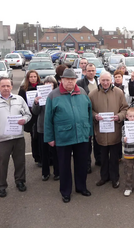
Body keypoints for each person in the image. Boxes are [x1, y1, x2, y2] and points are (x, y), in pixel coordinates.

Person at [44, 68, 93, 203]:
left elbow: (89, 114)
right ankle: (65, 192)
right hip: (63, 137)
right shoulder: (53, 95)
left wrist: (89, 132)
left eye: (72, 79)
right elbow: (48, 119)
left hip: (82, 135)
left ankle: (81, 187)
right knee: (64, 166)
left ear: (75, 80)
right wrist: (50, 138)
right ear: (61, 80)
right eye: (67, 79)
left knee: (81, 164)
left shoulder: (82, 92)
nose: (70, 82)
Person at [0, 77, 31, 198]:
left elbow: (27, 114)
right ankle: (1, 186)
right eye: (3, 86)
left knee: (20, 162)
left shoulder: (19, 99)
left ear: (11, 86)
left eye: (8, 86)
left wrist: (24, 120)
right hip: (2, 139)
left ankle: (20, 181)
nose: (6, 88)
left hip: (18, 137)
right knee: (1, 164)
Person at [89, 71, 128, 189]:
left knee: (114, 158)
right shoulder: (92, 94)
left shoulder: (119, 92)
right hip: (100, 132)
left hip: (115, 131)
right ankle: (104, 177)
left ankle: (115, 178)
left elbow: (125, 108)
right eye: (103, 80)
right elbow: (88, 110)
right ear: (99, 81)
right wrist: (95, 116)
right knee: (103, 157)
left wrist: (119, 116)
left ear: (111, 80)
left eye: (107, 80)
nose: (105, 83)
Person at [32, 76, 60, 181]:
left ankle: (57, 172)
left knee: (56, 151)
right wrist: (36, 102)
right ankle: (45, 173)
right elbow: (35, 112)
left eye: (51, 83)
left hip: (55, 127)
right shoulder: (38, 94)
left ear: (54, 85)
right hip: (42, 127)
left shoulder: (57, 94)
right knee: (44, 152)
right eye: (46, 83)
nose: (48, 84)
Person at [77, 63, 100, 172]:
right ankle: (87, 164)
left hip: (99, 115)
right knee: (87, 141)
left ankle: (99, 159)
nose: (91, 72)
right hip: (86, 115)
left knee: (98, 139)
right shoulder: (80, 83)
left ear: (95, 71)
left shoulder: (100, 82)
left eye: (93, 70)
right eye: (89, 70)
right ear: (85, 71)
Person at [18, 70, 42, 166]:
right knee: (35, 137)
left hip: (40, 114)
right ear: (28, 78)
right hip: (31, 117)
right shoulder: (23, 89)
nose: (33, 78)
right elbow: (21, 103)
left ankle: (45, 156)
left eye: (34, 76)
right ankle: (37, 157)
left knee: (42, 137)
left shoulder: (41, 87)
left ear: (37, 77)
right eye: (31, 77)